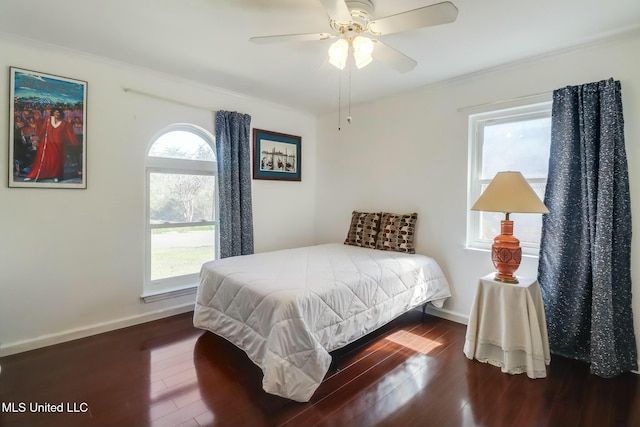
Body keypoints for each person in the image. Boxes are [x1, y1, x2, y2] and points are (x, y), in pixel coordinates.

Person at [24, 108, 78, 182]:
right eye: (55, 112)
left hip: (58, 145)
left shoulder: (64, 123)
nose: (57, 114)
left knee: (56, 161)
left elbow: (68, 134)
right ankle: (33, 175)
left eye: (58, 112)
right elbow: (41, 128)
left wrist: (70, 124)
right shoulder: (48, 120)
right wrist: (38, 119)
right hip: (46, 143)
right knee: (41, 160)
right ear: (52, 113)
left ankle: (55, 175)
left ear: (61, 114)